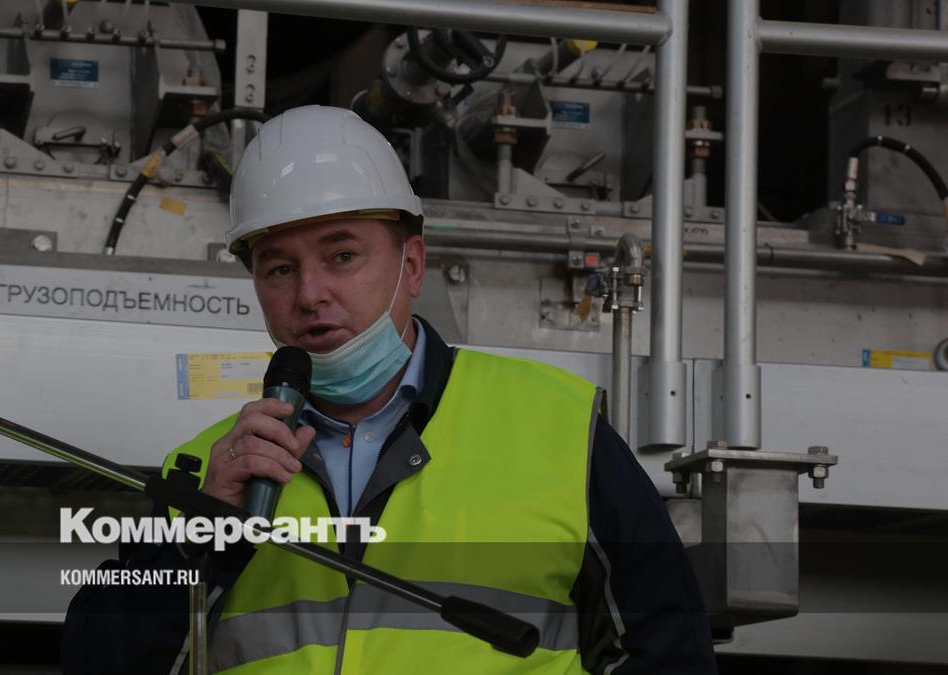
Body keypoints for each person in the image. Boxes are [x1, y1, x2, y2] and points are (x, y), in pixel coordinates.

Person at [63, 105, 715, 674]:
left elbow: (668, 651)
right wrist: (197, 540)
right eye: (280, 268)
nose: (310, 294)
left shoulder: (558, 431)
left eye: (342, 256)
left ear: (412, 265)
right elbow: (98, 663)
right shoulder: (207, 472)